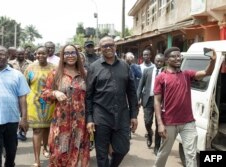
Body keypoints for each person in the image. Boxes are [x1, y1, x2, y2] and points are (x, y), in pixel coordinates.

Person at [154, 47, 217, 167]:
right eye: (174, 56)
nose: (178, 58)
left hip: (188, 122)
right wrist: (160, 124)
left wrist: (212, 61)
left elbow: (206, 73)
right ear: (167, 60)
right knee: (163, 153)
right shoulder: (161, 78)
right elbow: (157, 101)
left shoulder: (187, 74)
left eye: (179, 56)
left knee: (191, 155)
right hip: (169, 122)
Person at [86, 36, 138, 167]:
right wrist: (90, 118)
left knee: (123, 148)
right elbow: (89, 95)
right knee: (102, 152)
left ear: (115, 46)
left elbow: (131, 93)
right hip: (101, 115)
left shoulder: (125, 66)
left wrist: (133, 115)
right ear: (100, 48)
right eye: (104, 46)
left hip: (121, 114)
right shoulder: (93, 67)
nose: (108, 48)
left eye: (111, 45)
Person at [41, 44, 89, 167]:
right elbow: (44, 94)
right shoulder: (55, 73)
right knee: (58, 154)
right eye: (67, 53)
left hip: (80, 122)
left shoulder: (85, 74)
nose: (70, 56)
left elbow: (91, 98)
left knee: (76, 153)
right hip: (61, 122)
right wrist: (55, 92)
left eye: (73, 53)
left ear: (77, 55)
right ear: (62, 56)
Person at [24, 46, 55, 167]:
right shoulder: (30, 68)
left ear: (48, 54)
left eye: (43, 53)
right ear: (35, 55)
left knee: (47, 128)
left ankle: (46, 147)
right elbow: (25, 86)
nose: (40, 56)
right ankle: (37, 160)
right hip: (34, 103)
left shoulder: (54, 68)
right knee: (37, 130)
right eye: (38, 54)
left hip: (50, 102)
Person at [137, 53, 165, 155]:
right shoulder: (147, 71)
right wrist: (137, 99)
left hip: (161, 101)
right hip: (148, 99)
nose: (158, 63)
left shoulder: (166, 72)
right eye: (157, 61)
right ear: (154, 60)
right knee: (147, 121)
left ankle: (157, 147)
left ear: (163, 62)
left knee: (159, 124)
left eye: (161, 61)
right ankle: (149, 133)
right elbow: (140, 85)